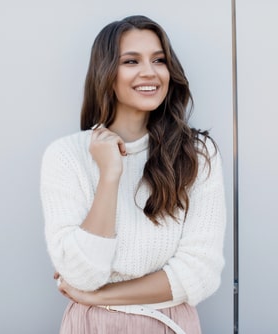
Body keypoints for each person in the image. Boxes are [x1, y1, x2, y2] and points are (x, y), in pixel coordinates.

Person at [40, 15, 226, 334]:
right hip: (91, 326)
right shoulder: (66, 155)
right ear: (106, 72)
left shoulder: (197, 153)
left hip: (168, 324)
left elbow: (201, 273)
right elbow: (81, 273)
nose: (149, 72)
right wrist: (110, 175)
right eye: (131, 61)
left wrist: (98, 297)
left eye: (159, 60)